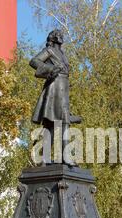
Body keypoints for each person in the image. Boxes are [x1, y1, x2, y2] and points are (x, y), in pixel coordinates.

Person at [29, 29, 81, 165]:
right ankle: (64, 156)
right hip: (54, 87)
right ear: (53, 37)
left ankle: (45, 158)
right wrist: (50, 69)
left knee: (53, 124)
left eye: (61, 34)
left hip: (63, 88)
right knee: (61, 122)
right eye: (58, 34)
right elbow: (34, 61)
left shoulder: (62, 53)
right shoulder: (50, 51)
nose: (61, 35)